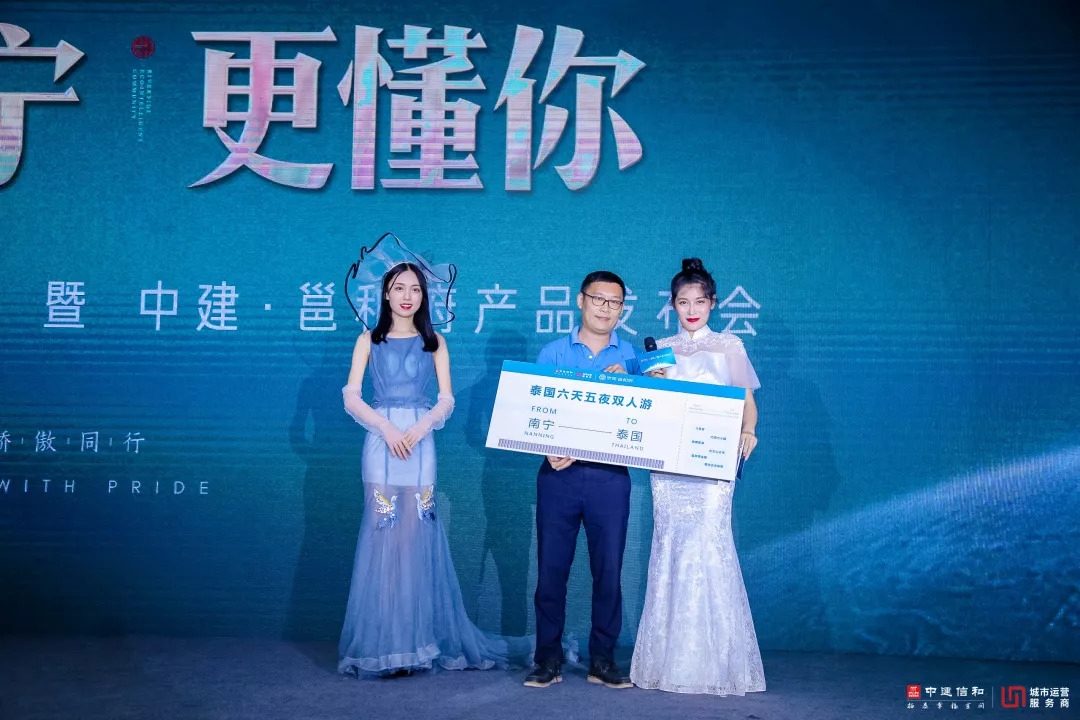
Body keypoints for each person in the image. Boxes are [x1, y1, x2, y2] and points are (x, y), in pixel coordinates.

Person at [338, 261, 503, 677]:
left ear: (424, 296)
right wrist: (386, 427)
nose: (407, 296)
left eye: (415, 289)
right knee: (381, 541)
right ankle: (384, 648)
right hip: (381, 445)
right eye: (399, 288)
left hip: (419, 445)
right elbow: (351, 396)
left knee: (414, 545)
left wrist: (420, 427)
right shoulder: (367, 340)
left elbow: (446, 399)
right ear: (385, 294)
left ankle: (413, 647)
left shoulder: (435, 342)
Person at [629, 257, 767, 696]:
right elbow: (649, 406)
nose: (692, 310)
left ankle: (718, 665)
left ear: (713, 303)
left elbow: (746, 400)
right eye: (683, 302)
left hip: (712, 463)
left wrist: (748, 430)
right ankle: (667, 662)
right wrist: (643, 381)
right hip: (669, 467)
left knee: (710, 543)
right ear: (672, 304)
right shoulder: (659, 348)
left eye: (700, 302)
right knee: (669, 544)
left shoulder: (729, 346)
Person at [524, 271, 641, 689]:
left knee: (608, 572)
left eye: (615, 303)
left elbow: (647, 416)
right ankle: (547, 659)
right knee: (551, 571)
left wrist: (635, 384)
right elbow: (533, 410)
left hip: (610, 478)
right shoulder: (553, 352)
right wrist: (546, 447)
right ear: (580, 300)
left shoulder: (632, 357)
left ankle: (602, 660)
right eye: (598, 299)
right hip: (559, 476)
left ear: (622, 310)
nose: (605, 308)